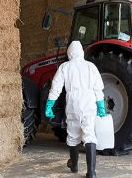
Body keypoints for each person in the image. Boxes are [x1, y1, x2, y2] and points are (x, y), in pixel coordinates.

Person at [45, 41, 107, 178]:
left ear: (69, 53)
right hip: (89, 103)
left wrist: (50, 105)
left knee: (73, 136)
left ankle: (74, 165)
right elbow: (98, 89)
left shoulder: (64, 67)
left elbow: (55, 88)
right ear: (82, 52)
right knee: (89, 134)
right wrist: (101, 107)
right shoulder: (91, 67)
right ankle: (91, 172)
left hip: (73, 104)